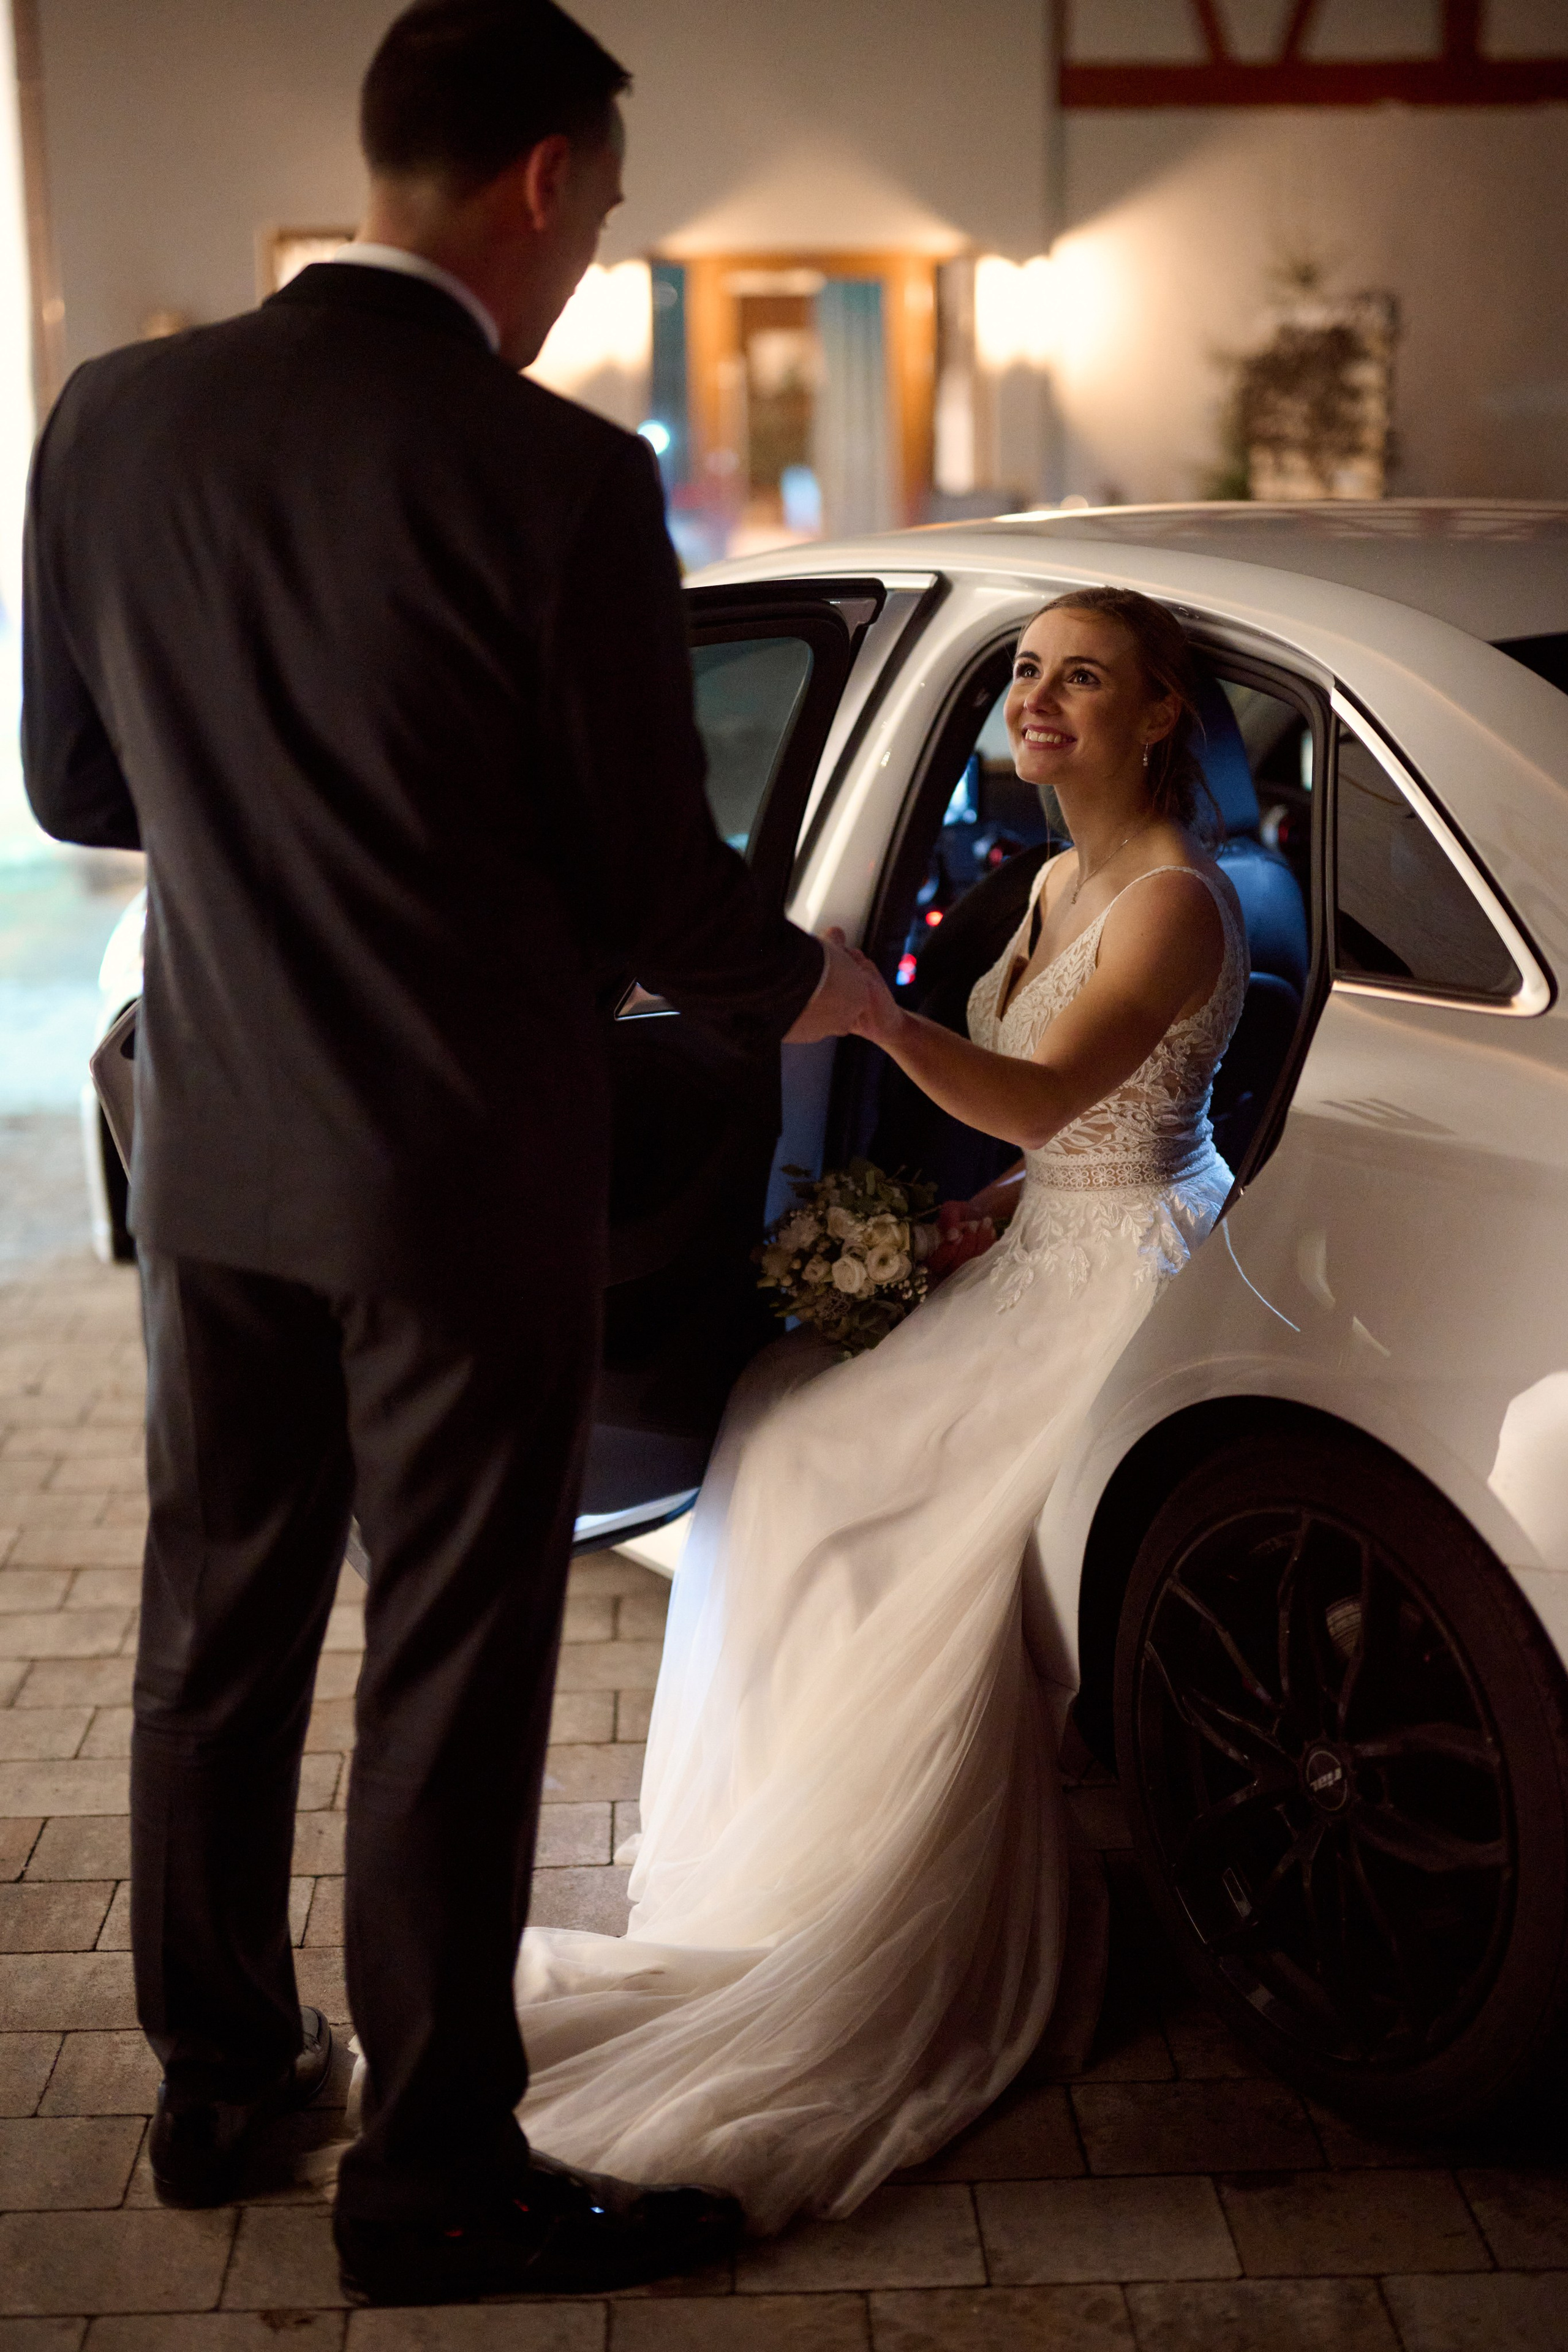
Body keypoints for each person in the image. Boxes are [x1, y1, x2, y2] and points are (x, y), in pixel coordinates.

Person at [21, 0, 872, 2307]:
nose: (596, 246)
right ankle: (434, 2171)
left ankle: (219, 2084)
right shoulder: (563, 478)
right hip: (462, 1166)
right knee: (456, 1655)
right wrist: (852, 999)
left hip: (215, 1143)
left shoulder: (113, 420)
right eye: (601, 202)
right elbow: (649, 891)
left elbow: (80, 794)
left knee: (217, 1619)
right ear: (534, 183)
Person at [507, 586, 1248, 2230]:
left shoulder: (1177, 905)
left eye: (1086, 678)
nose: (1043, 696)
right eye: (1031, 671)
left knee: (820, 1462)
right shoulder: (1055, 874)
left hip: (1131, 1275)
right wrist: (983, 1212)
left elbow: (1057, 1092)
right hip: (1055, 1232)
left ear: (1156, 716)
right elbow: (1060, 1133)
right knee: (777, 1424)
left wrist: (874, 1013)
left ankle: (877, 1904)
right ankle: (791, 1854)